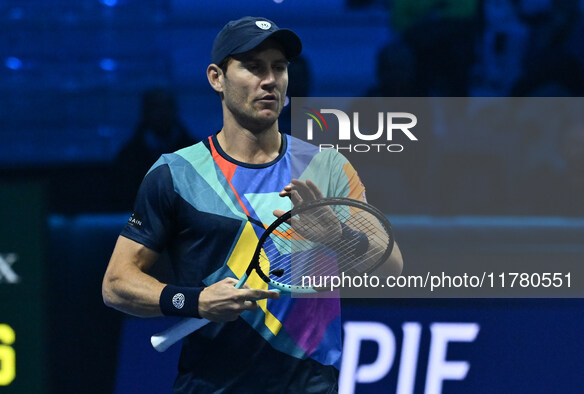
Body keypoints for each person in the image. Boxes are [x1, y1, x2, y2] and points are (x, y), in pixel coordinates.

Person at [102, 16, 403, 393]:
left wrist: (337, 234)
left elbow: (392, 264)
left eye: (279, 67)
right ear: (216, 78)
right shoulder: (175, 173)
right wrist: (195, 301)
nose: (270, 80)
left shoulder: (328, 167)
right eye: (253, 66)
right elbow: (116, 284)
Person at [111, 87, 197, 210]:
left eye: (166, 107)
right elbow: (122, 196)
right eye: (156, 107)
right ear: (145, 112)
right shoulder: (128, 156)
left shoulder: (195, 153)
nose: (162, 113)